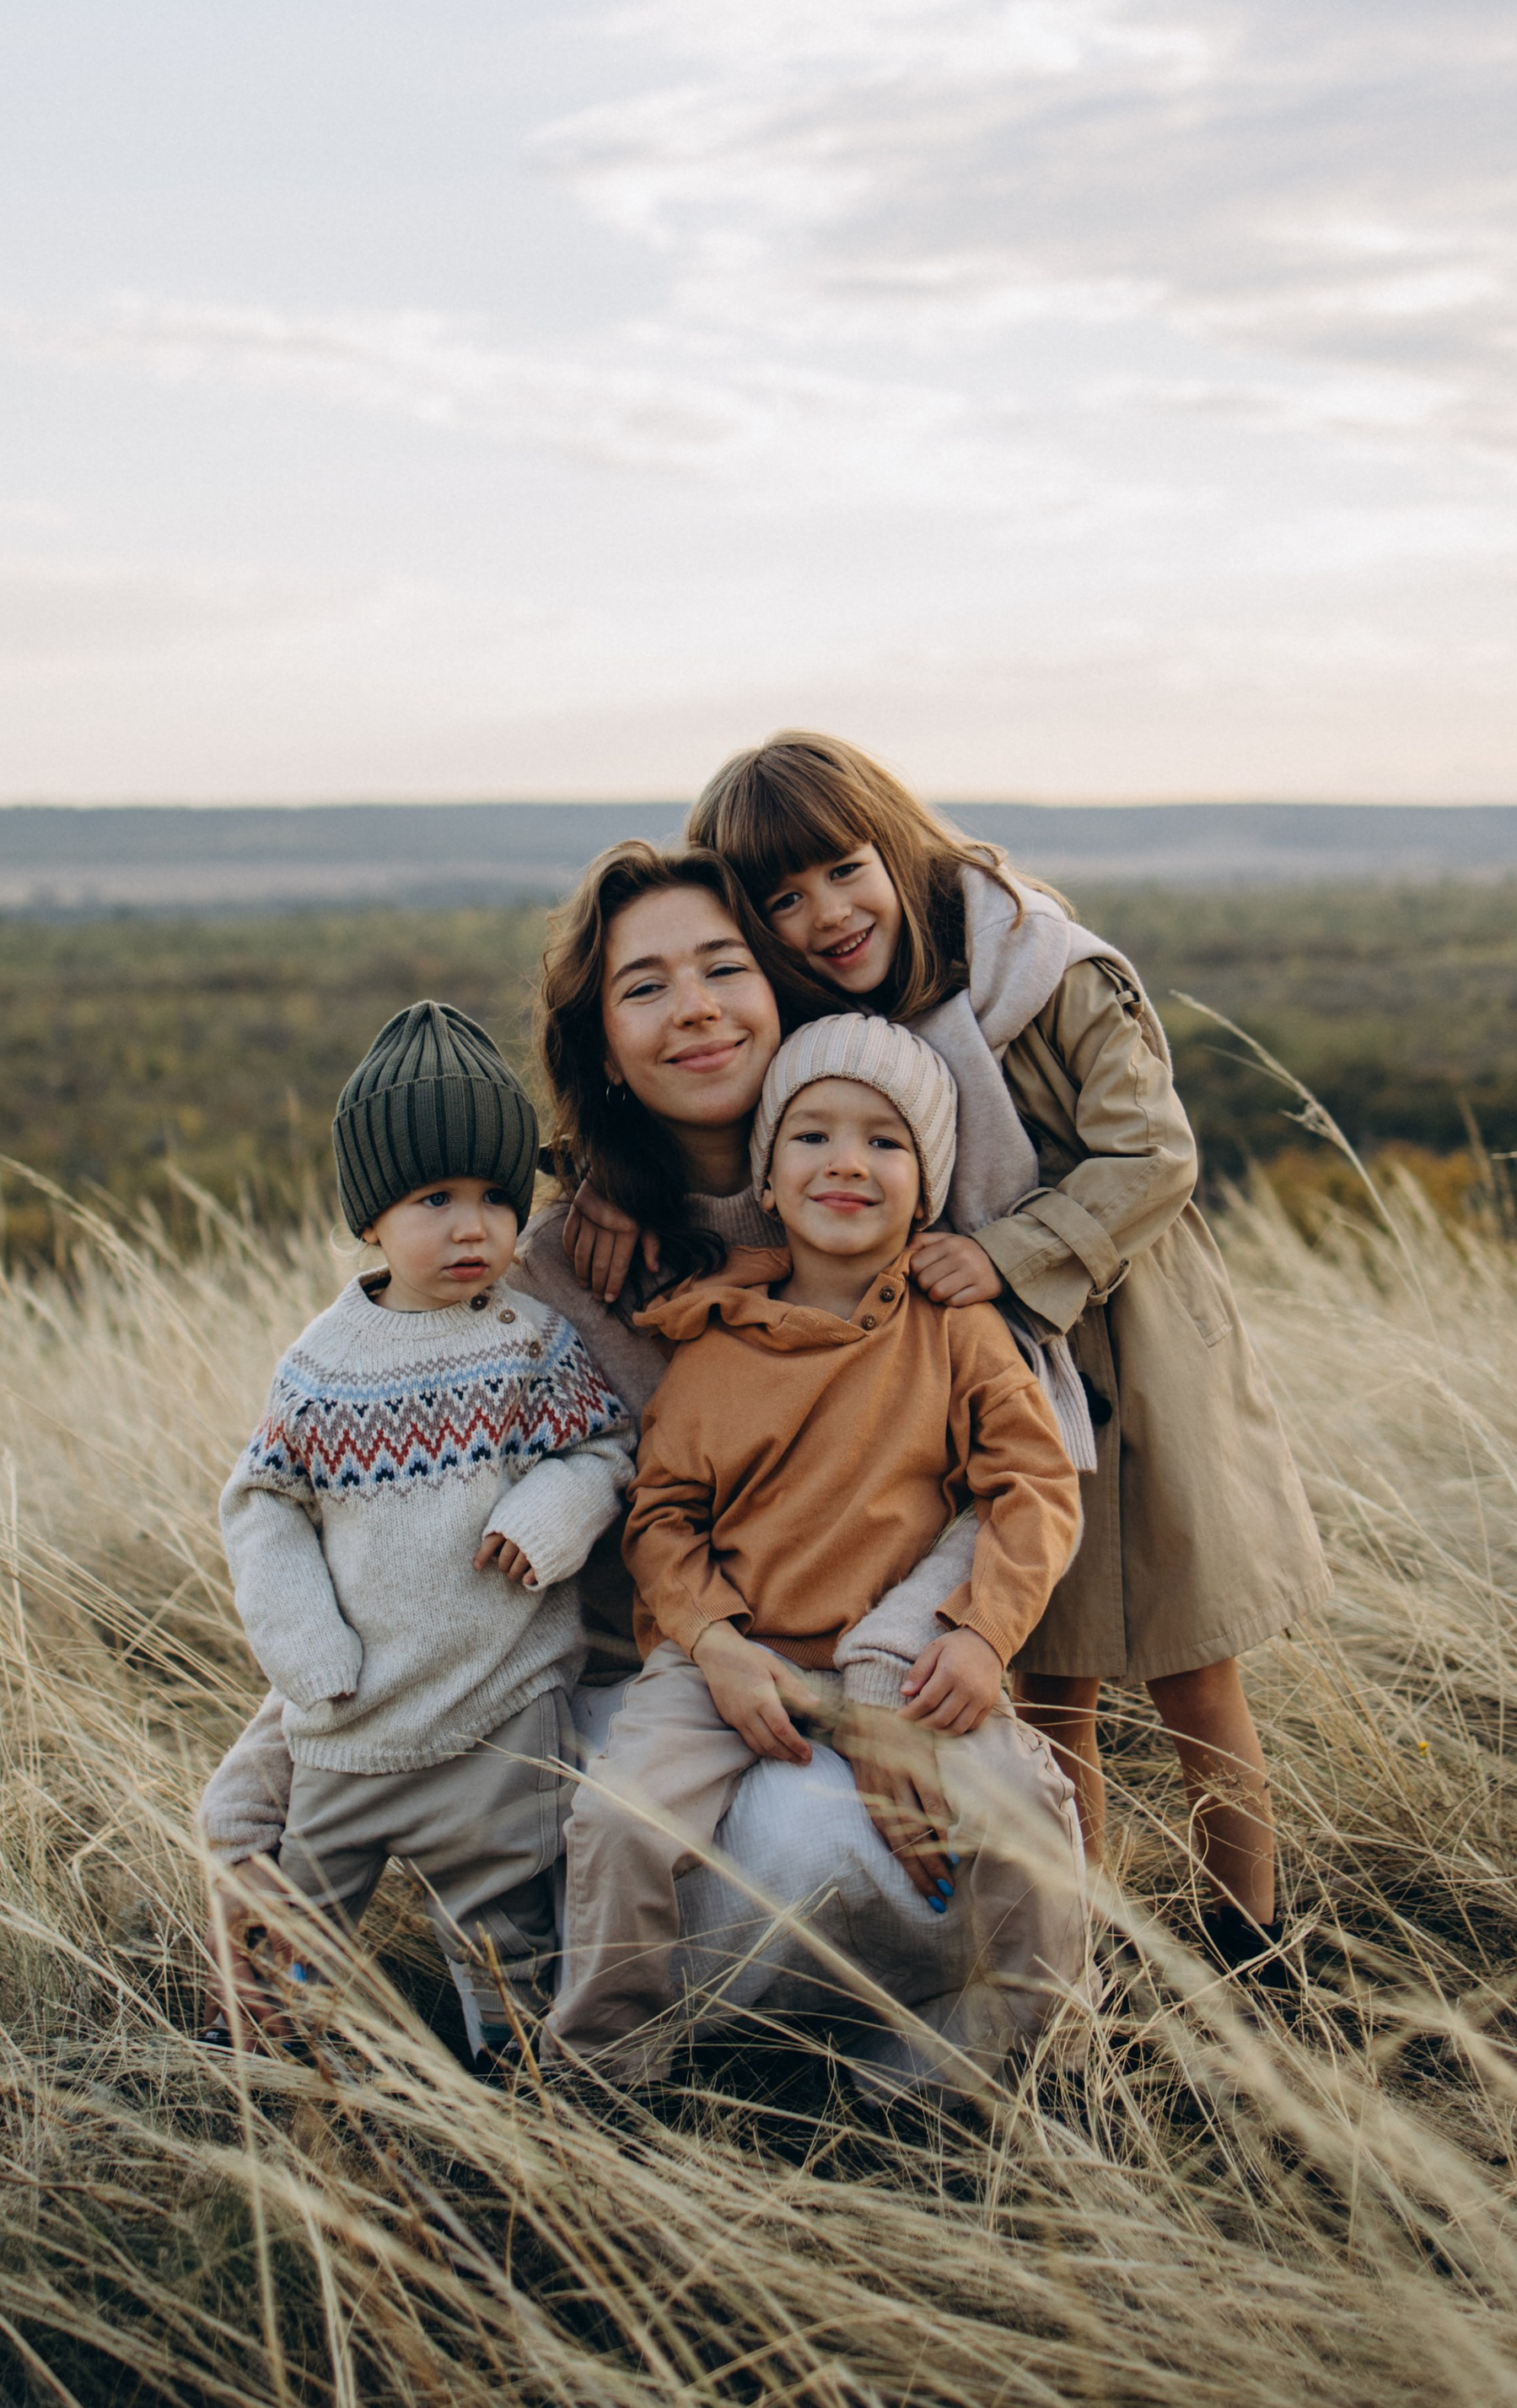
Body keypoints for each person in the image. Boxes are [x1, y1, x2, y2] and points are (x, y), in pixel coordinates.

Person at [199, 846, 1080, 2050]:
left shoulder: (896, 1208)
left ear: (779, 989)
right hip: (642, 1689)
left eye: (725, 967)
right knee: (754, 1835)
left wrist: (897, 1660)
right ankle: (607, 2064)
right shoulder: (541, 1275)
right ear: (604, 1046)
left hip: (879, 1662)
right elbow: (412, 1534)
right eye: (645, 987)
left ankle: (948, 2062)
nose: (697, 1009)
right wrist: (283, 1758)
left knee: (907, 1828)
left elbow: (1017, 1477)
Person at [570, 733, 1331, 1980]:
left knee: (1197, 1674)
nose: (825, 915)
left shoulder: (1045, 967)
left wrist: (1007, 1254)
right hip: (975, 1367)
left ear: (894, 843)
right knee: (1045, 1682)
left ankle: (1254, 1948)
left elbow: (1156, 1152)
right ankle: (1086, 1951)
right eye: (782, 902)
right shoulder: (830, 1005)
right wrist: (601, 1176)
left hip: (1133, 1350)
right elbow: (726, 1092)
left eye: (843, 871)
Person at [547, 1011, 1086, 2087]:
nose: (846, 1162)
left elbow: (1032, 1487)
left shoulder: (956, 1330)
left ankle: (1026, 2062)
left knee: (1027, 1810)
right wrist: (712, 1643)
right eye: (812, 1136)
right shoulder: (713, 1336)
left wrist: (983, 1634)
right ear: (767, 1176)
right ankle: (603, 2067)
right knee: (618, 1823)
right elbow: (662, 1518)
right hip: (731, 1664)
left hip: (906, 1665)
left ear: (926, 1189)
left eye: (884, 1141)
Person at [215, 999, 632, 2056]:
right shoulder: (323, 1365)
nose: (472, 1226)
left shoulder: (531, 1343)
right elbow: (263, 1505)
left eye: (496, 1197)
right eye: (433, 1198)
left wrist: (550, 1511)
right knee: (302, 1924)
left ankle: (513, 2083)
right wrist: (306, 1651)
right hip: (351, 1721)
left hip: (498, 1712)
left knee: (505, 1930)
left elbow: (603, 1450)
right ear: (371, 1218)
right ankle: (279, 2061)